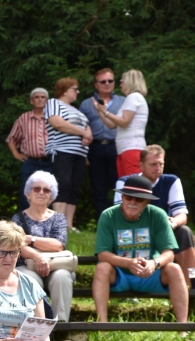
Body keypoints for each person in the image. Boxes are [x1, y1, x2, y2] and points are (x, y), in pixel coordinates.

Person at [93, 175, 188, 323]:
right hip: (120, 275)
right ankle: (102, 325)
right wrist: (129, 263)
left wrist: (154, 263)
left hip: (151, 274)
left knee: (174, 269)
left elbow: (169, 253)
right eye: (128, 197)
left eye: (139, 199)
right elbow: (102, 254)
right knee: (102, 268)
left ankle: (183, 328)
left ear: (147, 201)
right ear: (122, 197)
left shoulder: (158, 215)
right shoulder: (108, 215)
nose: (132, 202)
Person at [114, 145, 195, 284]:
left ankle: (192, 281)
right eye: (153, 164)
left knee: (184, 232)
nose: (158, 168)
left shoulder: (171, 181)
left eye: (161, 164)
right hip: (132, 231)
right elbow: (119, 215)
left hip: (162, 232)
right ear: (141, 165)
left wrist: (173, 223)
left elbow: (182, 215)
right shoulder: (125, 183)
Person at [11, 171, 74, 322]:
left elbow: (58, 245)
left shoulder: (58, 218)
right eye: (36, 188)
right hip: (26, 265)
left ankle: (61, 324)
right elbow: (17, 246)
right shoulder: (17, 218)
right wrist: (37, 256)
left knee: (62, 277)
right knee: (28, 279)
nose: (41, 192)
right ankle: (36, 325)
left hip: (55, 265)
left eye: (46, 190)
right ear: (28, 193)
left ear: (51, 196)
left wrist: (30, 239)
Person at [44, 78, 93, 231]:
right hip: (61, 151)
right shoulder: (53, 103)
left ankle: (69, 225)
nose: (78, 92)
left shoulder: (77, 111)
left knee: (74, 187)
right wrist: (83, 132)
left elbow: (87, 128)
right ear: (65, 90)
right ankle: (58, 225)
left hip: (80, 154)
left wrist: (87, 134)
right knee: (63, 184)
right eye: (75, 89)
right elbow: (57, 123)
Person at [79, 68, 125, 219]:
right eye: (103, 81)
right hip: (95, 148)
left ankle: (119, 220)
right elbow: (80, 127)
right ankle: (102, 222)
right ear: (96, 85)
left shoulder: (123, 101)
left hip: (116, 146)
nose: (107, 84)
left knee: (119, 185)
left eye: (110, 81)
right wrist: (84, 152)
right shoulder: (86, 104)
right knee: (98, 187)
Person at [94, 69, 149, 178]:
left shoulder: (133, 97)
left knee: (133, 186)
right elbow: (112, 125)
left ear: (129, 82)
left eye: (122, 81)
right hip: (125, 149)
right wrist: (100, 111)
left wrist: (105, 111)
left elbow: (124, 122)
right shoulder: (133, 98)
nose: (120, 85)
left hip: (132, 148)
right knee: (126, 186)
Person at [6, 88, 53, 211]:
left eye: (43, 97)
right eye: (36, 97)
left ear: (47, 101)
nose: (40, 99)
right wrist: (16, 153)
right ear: (31, 101)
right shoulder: (24, 118)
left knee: (50, 190)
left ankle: (47, 220)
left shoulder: (53, 118)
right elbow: (11, 139)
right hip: (30, 161)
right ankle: (25, 222)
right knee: (27, 191)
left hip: (50, 161)